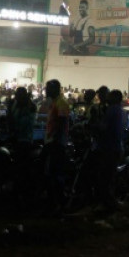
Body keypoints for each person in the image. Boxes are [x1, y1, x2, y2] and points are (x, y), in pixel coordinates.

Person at [42, 79, 70, 215]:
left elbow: (61, 123)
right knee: (50, 174)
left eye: (48, 88)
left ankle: (60, 204)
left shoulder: (61, 103)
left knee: (55, 174)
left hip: (57, 144)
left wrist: (54, 141)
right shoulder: (54, 103)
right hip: (52, 142)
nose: (46, 90)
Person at [96, 89, 126, 212]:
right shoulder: (121, 111)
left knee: (104, 177)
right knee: (110, 176)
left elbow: (103, 127)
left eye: (110, 96)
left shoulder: (112, 110)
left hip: (109, 147)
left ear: (115, 98)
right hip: (117, 146)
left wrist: (94, 125)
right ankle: (110, 203)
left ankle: (107, 204)